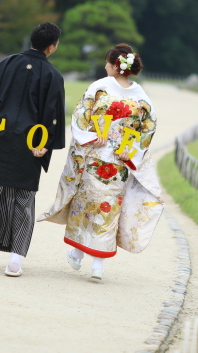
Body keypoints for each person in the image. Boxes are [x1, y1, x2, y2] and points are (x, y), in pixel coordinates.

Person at [38, 43, 164, 281]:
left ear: (116, 66)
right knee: (85, 204)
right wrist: (92, 137)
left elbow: (148, 129)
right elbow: (81, 116)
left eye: (108, 62)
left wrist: (131, 150)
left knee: (109, 210)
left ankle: (98, 264)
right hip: (94, 157)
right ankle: (77, 249)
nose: (105, 66)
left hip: (117, 163)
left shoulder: (136, 95)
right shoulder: (103, 88)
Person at [0, 22, 65, 277]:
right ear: (52, 47)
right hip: (30, 143)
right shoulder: (53, 76)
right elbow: (52, 117)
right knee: (22, 199)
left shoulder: (5, 64)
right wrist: (45, 146)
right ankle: (15, 259)